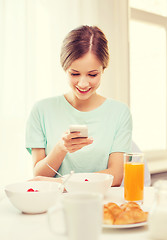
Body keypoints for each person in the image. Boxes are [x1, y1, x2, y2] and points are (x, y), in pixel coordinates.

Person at [26, 25, 132, 186]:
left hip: (100, 203)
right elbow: (39, 175)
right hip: (54, 205)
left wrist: (63, 184)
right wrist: (61, 148)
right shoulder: (41, 110)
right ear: (64, 68)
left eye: (92, 74)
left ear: (103, 69)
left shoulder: (119, 112)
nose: (83, 83)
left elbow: (116, 176)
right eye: (74, 73)